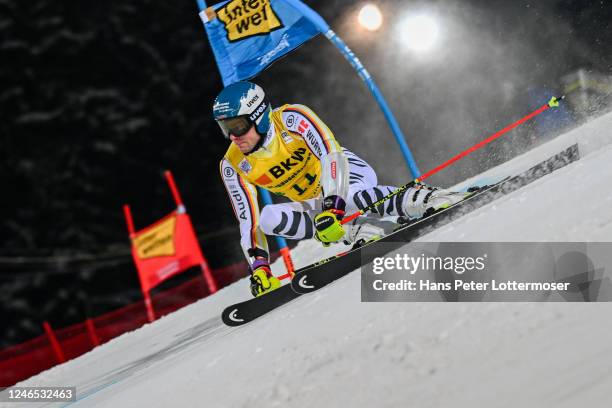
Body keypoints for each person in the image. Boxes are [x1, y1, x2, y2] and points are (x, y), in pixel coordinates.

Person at [215, 81, 465, 297]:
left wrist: (333, 207)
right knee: (267, 219)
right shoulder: (233, 165)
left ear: (259, 117)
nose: (233, 137)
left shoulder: (292, 118)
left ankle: (424, 197)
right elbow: (248, 221)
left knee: (352, 197)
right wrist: (259, 268)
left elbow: (330, 155)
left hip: (346, 176)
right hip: (316, 202)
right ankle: (359, 229)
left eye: (237, 126)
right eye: (225, 128)